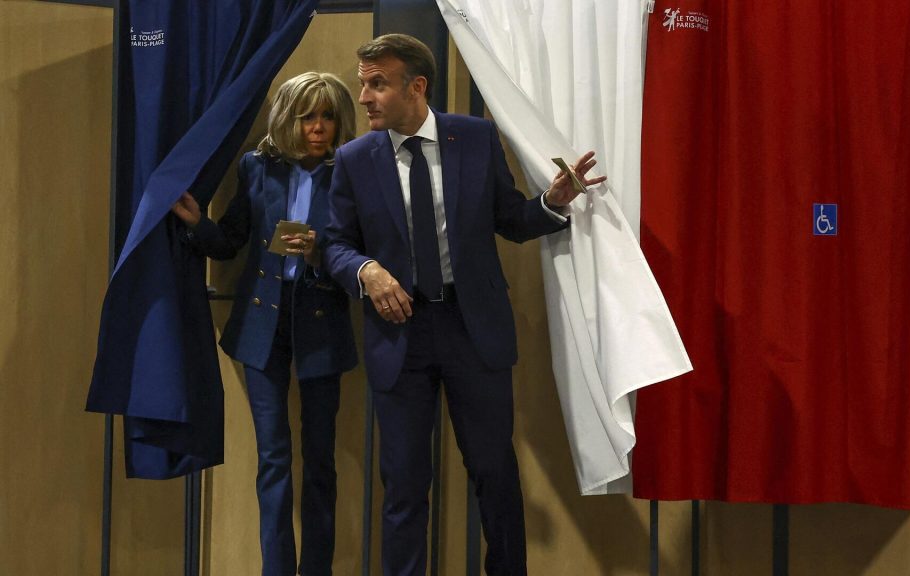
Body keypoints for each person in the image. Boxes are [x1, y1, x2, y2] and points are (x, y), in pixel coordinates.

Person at [322, 34, 606, 575]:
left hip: (472, 329)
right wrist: (367, 270)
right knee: (404, 485)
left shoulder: (474, 138)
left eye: (377, 84)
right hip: (399, 334)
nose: (363, 97)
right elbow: (336, 243)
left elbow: (510, 219)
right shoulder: (355, 159)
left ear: (417, 86)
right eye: (363, 83)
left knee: (494, 474)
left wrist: (551, 203)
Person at [171, 71, 359, 576]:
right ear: (288, 120)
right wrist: (197, 224)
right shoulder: (257, 167)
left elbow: (366, 251)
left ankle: (316, 569)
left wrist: (319, 251)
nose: (317, 127)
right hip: (262, 321)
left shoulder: (352, 171)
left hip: (322, 316)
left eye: (327, 116)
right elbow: (230, 241)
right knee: (274, 457)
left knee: (320, 459)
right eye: (307, 116)